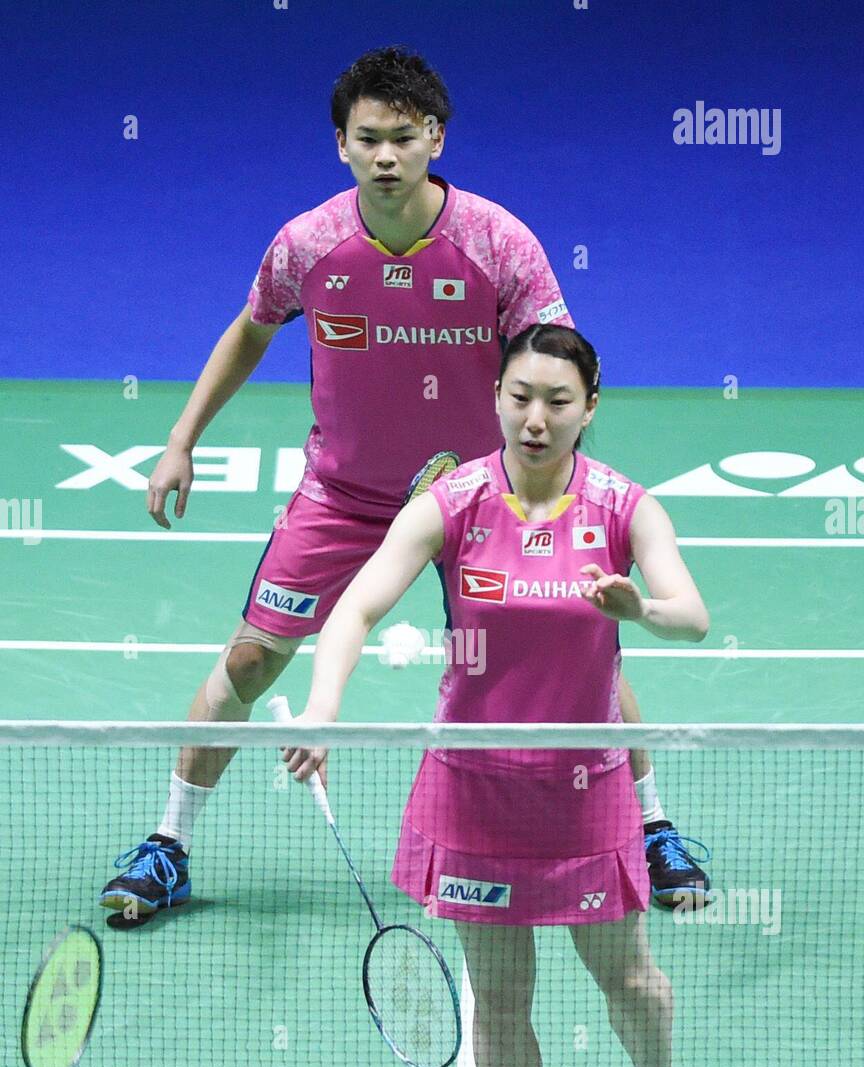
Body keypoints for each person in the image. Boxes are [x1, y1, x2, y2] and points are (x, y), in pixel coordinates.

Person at [100, 45, 708, 923]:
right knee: (249, 659)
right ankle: (169, 842)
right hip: (344, 493)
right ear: (341, 145)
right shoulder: (308, 243)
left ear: (437, 139)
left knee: (577, 644)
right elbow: (249, 330)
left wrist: (552, 478)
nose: (386, 156)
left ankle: (650, 826)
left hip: (478, 496)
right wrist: (180, 440)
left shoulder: (497, 242)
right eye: (367, 138)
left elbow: (556, 363)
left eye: (403, 137)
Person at [282, 324, 708, 1067]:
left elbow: (693, 614)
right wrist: (322, 706)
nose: (535, 416)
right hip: (474, 791)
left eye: (558, 400)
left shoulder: (622, 508)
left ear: (590, 408)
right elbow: (355, 604)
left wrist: (641, 609)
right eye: (519, 395)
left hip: (584, 789)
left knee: (630, 983)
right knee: (502, 1002)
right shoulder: (456, 500)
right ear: (497, 397)